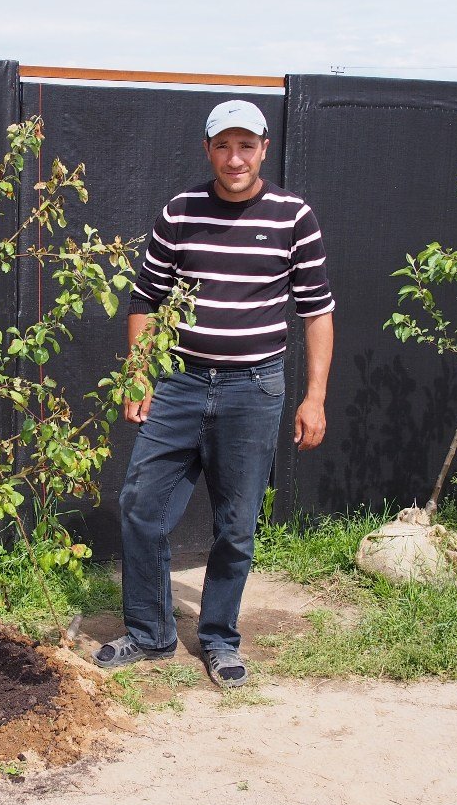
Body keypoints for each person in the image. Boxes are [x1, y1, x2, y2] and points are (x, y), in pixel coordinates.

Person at [93, 99, 335, 688]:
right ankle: (150, 634)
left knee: (236, 523)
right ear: (208, 149)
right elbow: (145, 301)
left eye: (246, 146)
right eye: (223, 146)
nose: (235, 158)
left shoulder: (292, 216)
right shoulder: (180, 213)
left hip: (253, 390)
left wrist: (315, 397)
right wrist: (139, 376)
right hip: (176, 383)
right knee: (142, 506)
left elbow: (317, 312)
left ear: (263, 149)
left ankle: (220, 639)